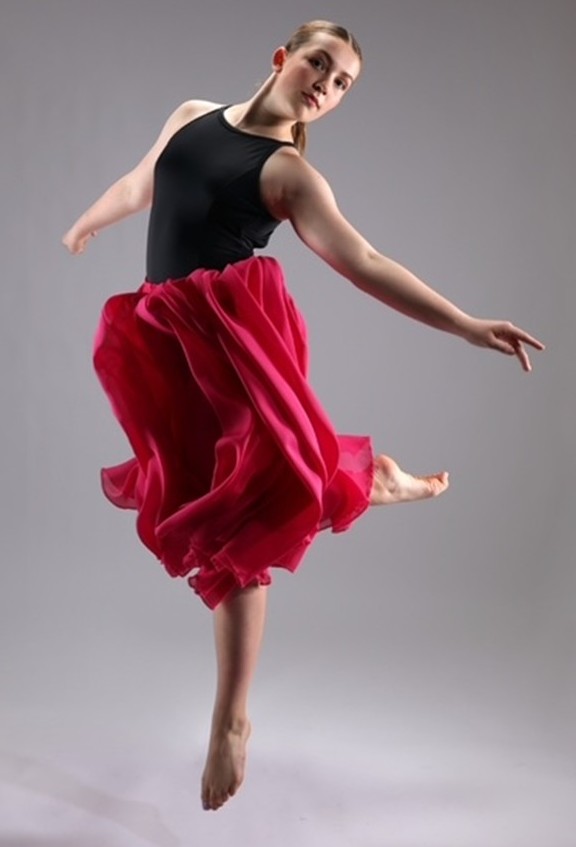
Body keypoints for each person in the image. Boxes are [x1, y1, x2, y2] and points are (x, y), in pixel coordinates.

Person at [62, 19, 544, 812]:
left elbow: (366, 262)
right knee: (200, 503)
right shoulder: (192, 116)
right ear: (282, 58)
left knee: (240, 522)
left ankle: (231, 719)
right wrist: (91, 219)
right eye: (320, 63)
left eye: (343, 82)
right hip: (163, 338)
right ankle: (365, 476)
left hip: (229, 344)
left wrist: (464, 322)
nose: (327, 83)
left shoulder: (287, 175)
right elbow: (142, 180)